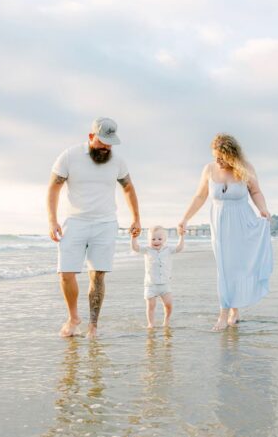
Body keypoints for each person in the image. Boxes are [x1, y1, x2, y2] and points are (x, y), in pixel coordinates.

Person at [47, 117, 141, 338]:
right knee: (65, 273)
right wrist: (52, 220)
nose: (106, 147)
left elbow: (128, 188)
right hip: (75, 221)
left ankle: (93, 325)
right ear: (91, 137)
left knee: (97, 275)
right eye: (103, 142)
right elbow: (53, 188)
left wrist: (136, 218)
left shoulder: (117, 161)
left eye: (110, 143)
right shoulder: (69, 156)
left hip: (105, 223)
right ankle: (73, 317)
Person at [178, 133, 273, 331]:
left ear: (232, 155)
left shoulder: (246, 168)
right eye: (215, 157)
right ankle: (223, 311)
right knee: (224, 268)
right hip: (219, 225)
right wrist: (185, 218)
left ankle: (234, 310)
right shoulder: (209, 169)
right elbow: (199, 196)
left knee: (238, 266)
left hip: (243, 222)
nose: (218, 161)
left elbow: (255, 192)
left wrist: (262, 209)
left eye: (222, 157)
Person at [131, 226, 184, 328]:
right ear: (148, 240)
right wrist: (133, 237)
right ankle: (151, 323)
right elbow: (135, 248)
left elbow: (179, 248)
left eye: (160, 239)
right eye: (153, 239)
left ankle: (166, 320)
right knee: (151, 306)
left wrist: (181, 236)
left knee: (169, 305)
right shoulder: (147, 250)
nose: (156, 241)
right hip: (151, 285)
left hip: (165, 284)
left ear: (165, 240)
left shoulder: (168, 250)